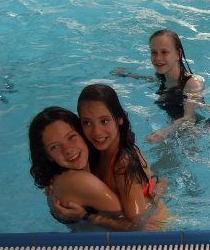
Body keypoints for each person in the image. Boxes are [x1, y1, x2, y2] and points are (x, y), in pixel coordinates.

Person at [52, 83, 165, 229]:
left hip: (156, 227)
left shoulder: (123, 165)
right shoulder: (97, 150)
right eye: (87, 123)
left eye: (104, 121)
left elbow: (137, 225)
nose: (96, 132)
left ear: (119, 119)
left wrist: (86, 216)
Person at [28, 106, 125, 230]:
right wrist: (87, 217)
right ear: (48, 156)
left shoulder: (62, 176)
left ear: (83, 133)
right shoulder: (80, 181)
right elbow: (135, 221)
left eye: (71, 137)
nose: (68, 150)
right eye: (54, 147)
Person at [145, 29, 205, 143]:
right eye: (154, 52)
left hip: (197, 131)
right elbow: (150, 79)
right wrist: (127, 75)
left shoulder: (192, 84)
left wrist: (165, 131)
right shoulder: (162, 77)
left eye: (164, 52)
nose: (158, 58)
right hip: (176, 129)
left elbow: (189, 118)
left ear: (178, 54)